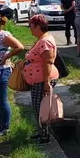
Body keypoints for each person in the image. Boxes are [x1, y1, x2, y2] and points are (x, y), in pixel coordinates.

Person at [25, 14, 59, 143]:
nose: (30, 29)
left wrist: (46, 82)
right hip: (38, 79)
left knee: (40, 108)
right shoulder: (42, 39)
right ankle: (41, 132)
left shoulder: (45, 42)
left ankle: (44, 136)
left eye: (31, 26)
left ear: (38, 26)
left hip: (42, 79)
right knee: (38, 106)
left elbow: (48, 62)